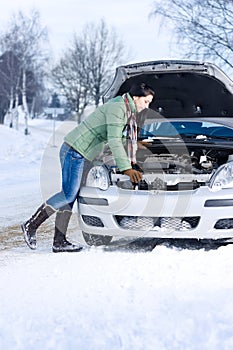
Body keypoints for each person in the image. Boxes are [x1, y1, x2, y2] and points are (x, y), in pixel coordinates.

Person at [21, 82, 155, 252]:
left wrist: (134, 143)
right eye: (146, 101)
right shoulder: (118, 109)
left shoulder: (123, 107)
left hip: (82, 152)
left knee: (71, 195)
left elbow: (110, 136)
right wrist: (126, 168)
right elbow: (113, 140)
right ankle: (30, 225)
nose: (147, 106)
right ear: (136, 97)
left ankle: (59, 241)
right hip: (75, 151)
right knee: (68, 194)